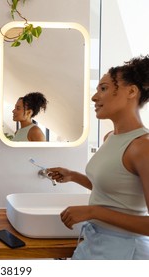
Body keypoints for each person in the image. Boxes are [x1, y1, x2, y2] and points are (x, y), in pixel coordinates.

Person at [47, 55, 149, 260]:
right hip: (94, 244)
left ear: (131, 91)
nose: (94, 97)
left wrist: (92, 212)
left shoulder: (142, 147)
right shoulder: (110, 137)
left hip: (124, 252)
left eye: (103, 88)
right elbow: (115, 193)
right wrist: (74, 176)